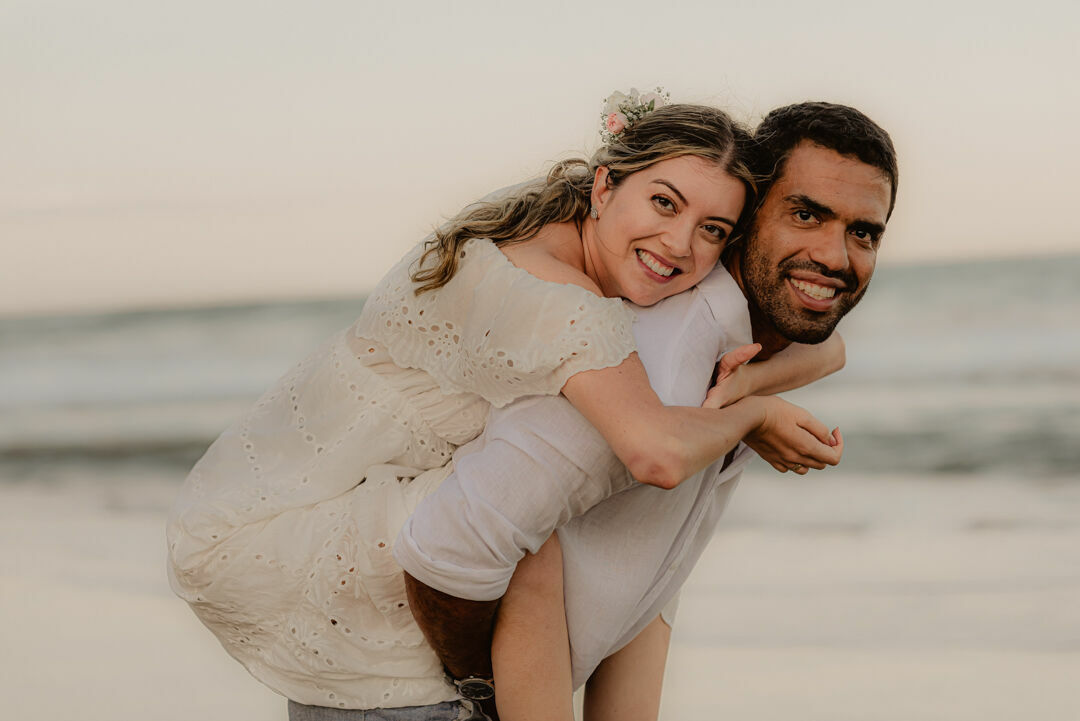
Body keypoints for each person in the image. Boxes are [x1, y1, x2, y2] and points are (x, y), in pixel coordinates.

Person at [166, 97, 844, 717]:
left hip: (328, 494)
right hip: (292, 524)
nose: (679, 244)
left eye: (712, 229)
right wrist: (753, 416)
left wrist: (753, 382)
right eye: (665, 204)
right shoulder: (557, 302)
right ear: (606, 186)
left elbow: (832, 347)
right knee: (533, 532)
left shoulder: (566, 229)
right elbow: (657, 452)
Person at [394, 100, 898, 721]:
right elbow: (459, 545)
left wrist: (757, 390)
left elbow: (650, 583)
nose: (836, 256)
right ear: (747, 216)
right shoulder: (651, 360)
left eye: (863, 232)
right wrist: (482, 695)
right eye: (806, 215)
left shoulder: (728, 358)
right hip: (414, 700)